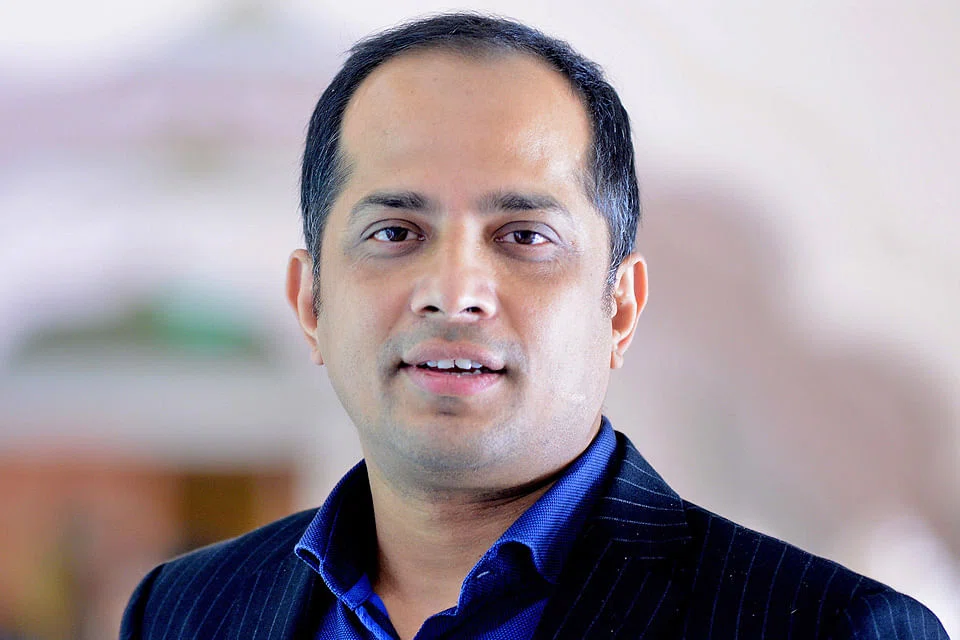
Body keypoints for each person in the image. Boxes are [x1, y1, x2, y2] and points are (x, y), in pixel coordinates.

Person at [120, 13, 948, 640]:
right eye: (396, 232)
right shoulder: (185, 610)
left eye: (524, 237)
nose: (454, 293)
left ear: (620, 308)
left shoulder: (832, 627)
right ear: (310, 302)